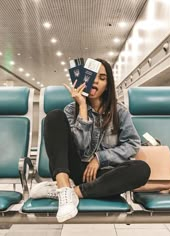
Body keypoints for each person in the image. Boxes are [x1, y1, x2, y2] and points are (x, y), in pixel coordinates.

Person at [30, 58, 150, 223]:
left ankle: (72, 192)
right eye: (92, 76)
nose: (95, 82)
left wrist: (100, 158)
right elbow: (80, 147)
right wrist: (83, 108)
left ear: (107, 85)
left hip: (102, 175)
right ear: (83, 78)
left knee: (141, 169)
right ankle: (64, 186)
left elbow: (132, 144)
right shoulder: (71, 110)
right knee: (54, 116)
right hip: (72, 169)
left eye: (102, 78)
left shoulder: (119, 111)